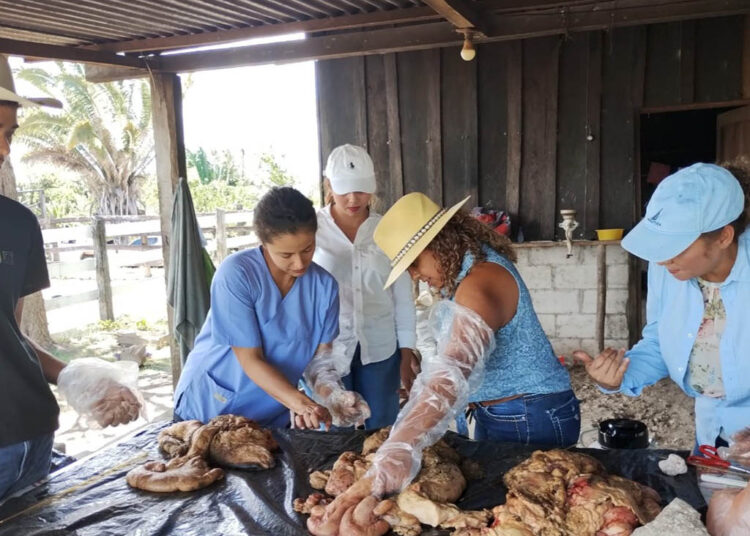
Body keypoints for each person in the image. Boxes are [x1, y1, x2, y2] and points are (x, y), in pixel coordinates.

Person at [307, 192, 579, 535]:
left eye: (415, 264)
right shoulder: (472, 270)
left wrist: (401, 446)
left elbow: (450, 377)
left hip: (529, 416)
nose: (416, 276)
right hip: (509, 411)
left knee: (536, 521)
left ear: (439, 243)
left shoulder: (478, 283)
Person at [0, 55, 138, 502]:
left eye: (9, 134)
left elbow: (11, 335)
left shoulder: (17, 224)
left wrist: (79, 379)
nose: (4, 150)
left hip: (31, 433)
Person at [574, 162, 750, 450]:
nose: (662, 258)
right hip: (710, 427)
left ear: (723, 237)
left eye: (676, 246)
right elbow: (660, 340)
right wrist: (619, 375)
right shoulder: (668, 271)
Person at [174, 187, 370, 430]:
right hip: (211, 406)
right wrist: (301, 403)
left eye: (307, 249)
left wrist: (333, 396)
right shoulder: (237, 275)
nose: (299, 263)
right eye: (286, 254)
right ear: (263, 243)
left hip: (272, 413)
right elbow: (250, 359)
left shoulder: (324, 287)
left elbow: (319, 364)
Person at [310, 144, 418, 429]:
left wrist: (406, 354)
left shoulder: (388, 231)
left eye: (361, 189)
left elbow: (402, 298)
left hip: (380, 348)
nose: (353, 199)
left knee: (382, 427)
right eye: (344, 190)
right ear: (329, 185)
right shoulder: (313, 230)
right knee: (333, 429)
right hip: (328, 351)